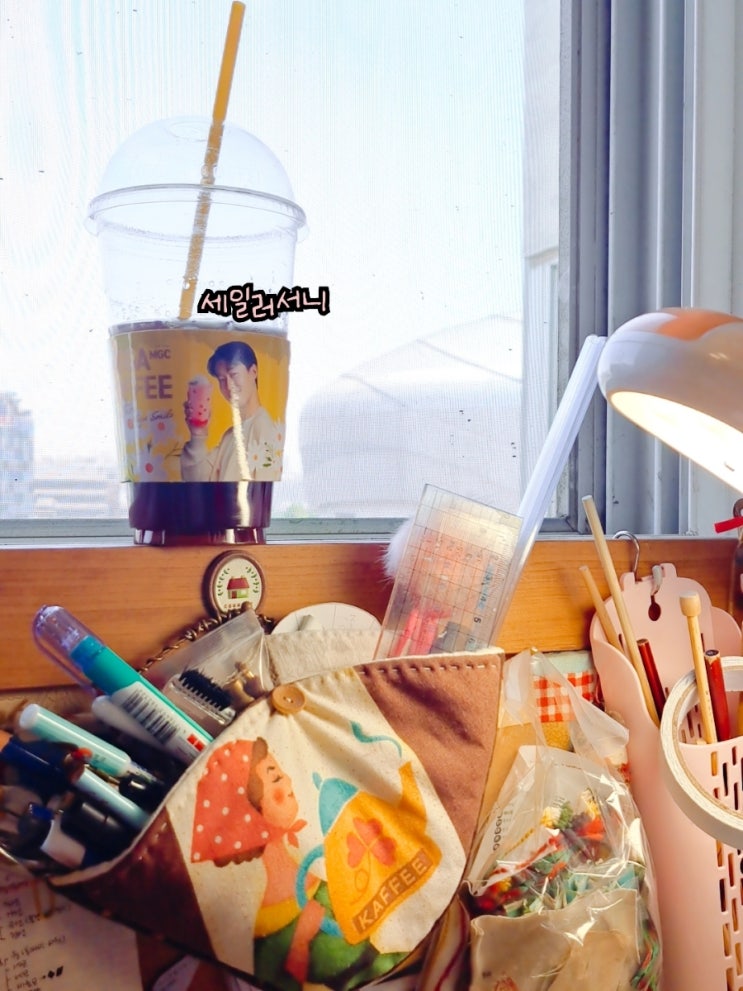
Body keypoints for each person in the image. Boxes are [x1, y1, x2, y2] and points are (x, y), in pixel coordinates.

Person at [191, 737, 405, 991]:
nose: (289, 782)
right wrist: (300, 943)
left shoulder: (316, 874)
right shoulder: (265, 929)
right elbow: (280, 981)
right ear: (252, 814)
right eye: (276, 778)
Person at [180, 341, 282, 482]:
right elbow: (198, 480)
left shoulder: (262, 427)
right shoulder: (230, 435)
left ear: (253, 372)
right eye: (222, 379)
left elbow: (263, 490)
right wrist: (198, 433)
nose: (228, 386)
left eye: (233, 375)